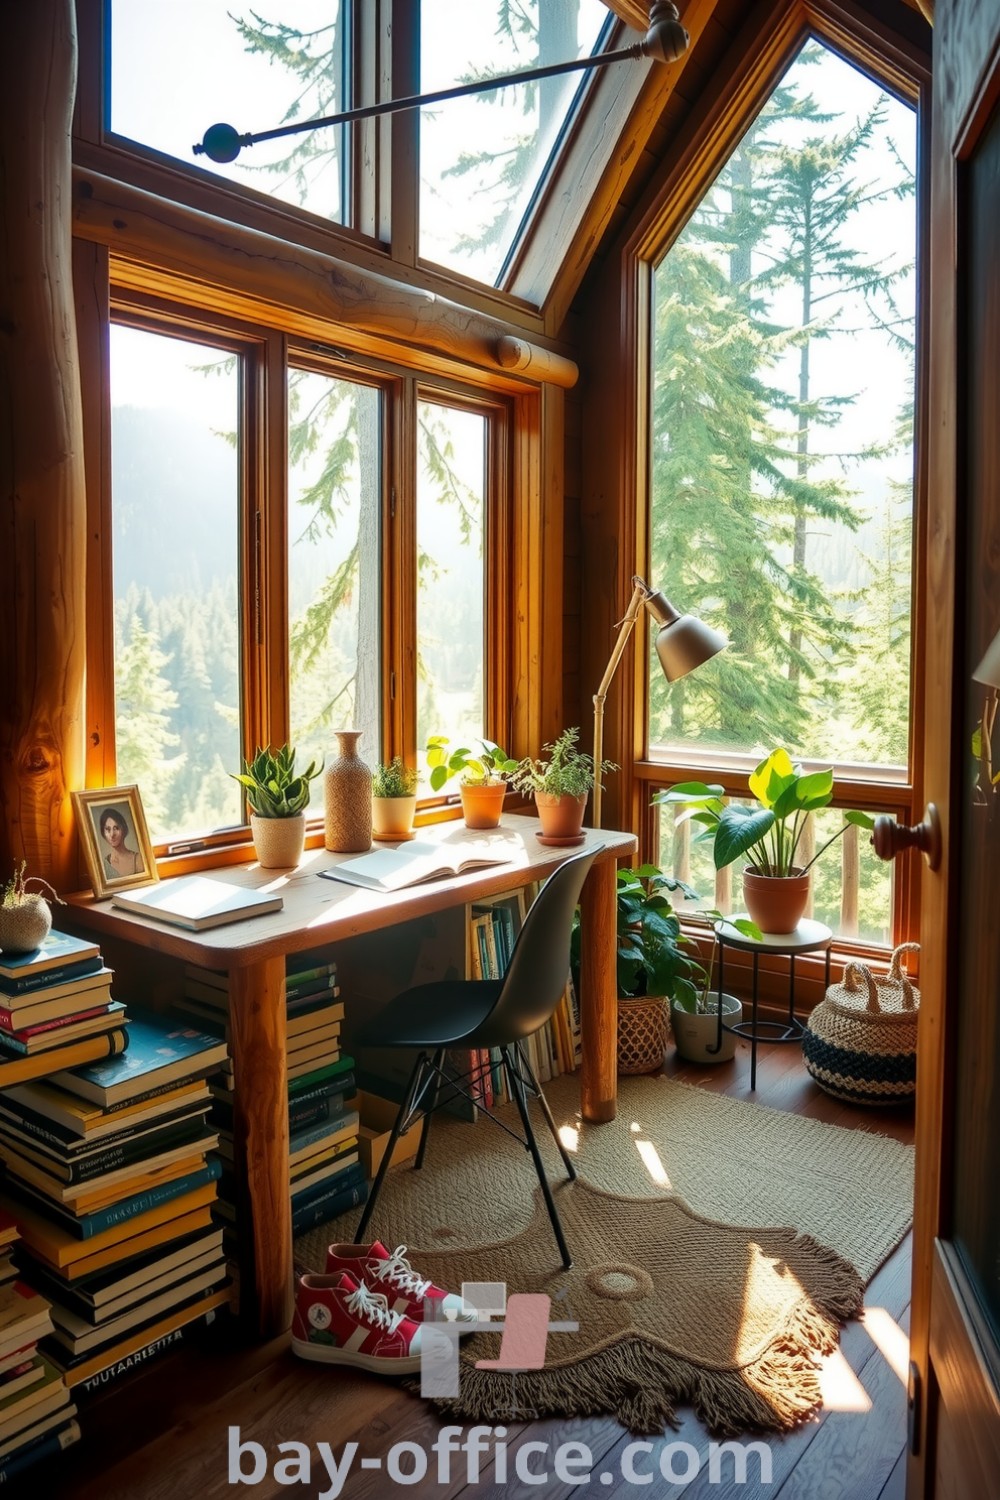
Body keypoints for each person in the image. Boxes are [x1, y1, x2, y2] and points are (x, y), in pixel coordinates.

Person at [99, 807, 143, 879]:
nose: (112, 834)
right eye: (108, 829)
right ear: (103, 833)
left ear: (124, 829)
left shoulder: (137, 859)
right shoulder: (103, 865)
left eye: (116, 828)